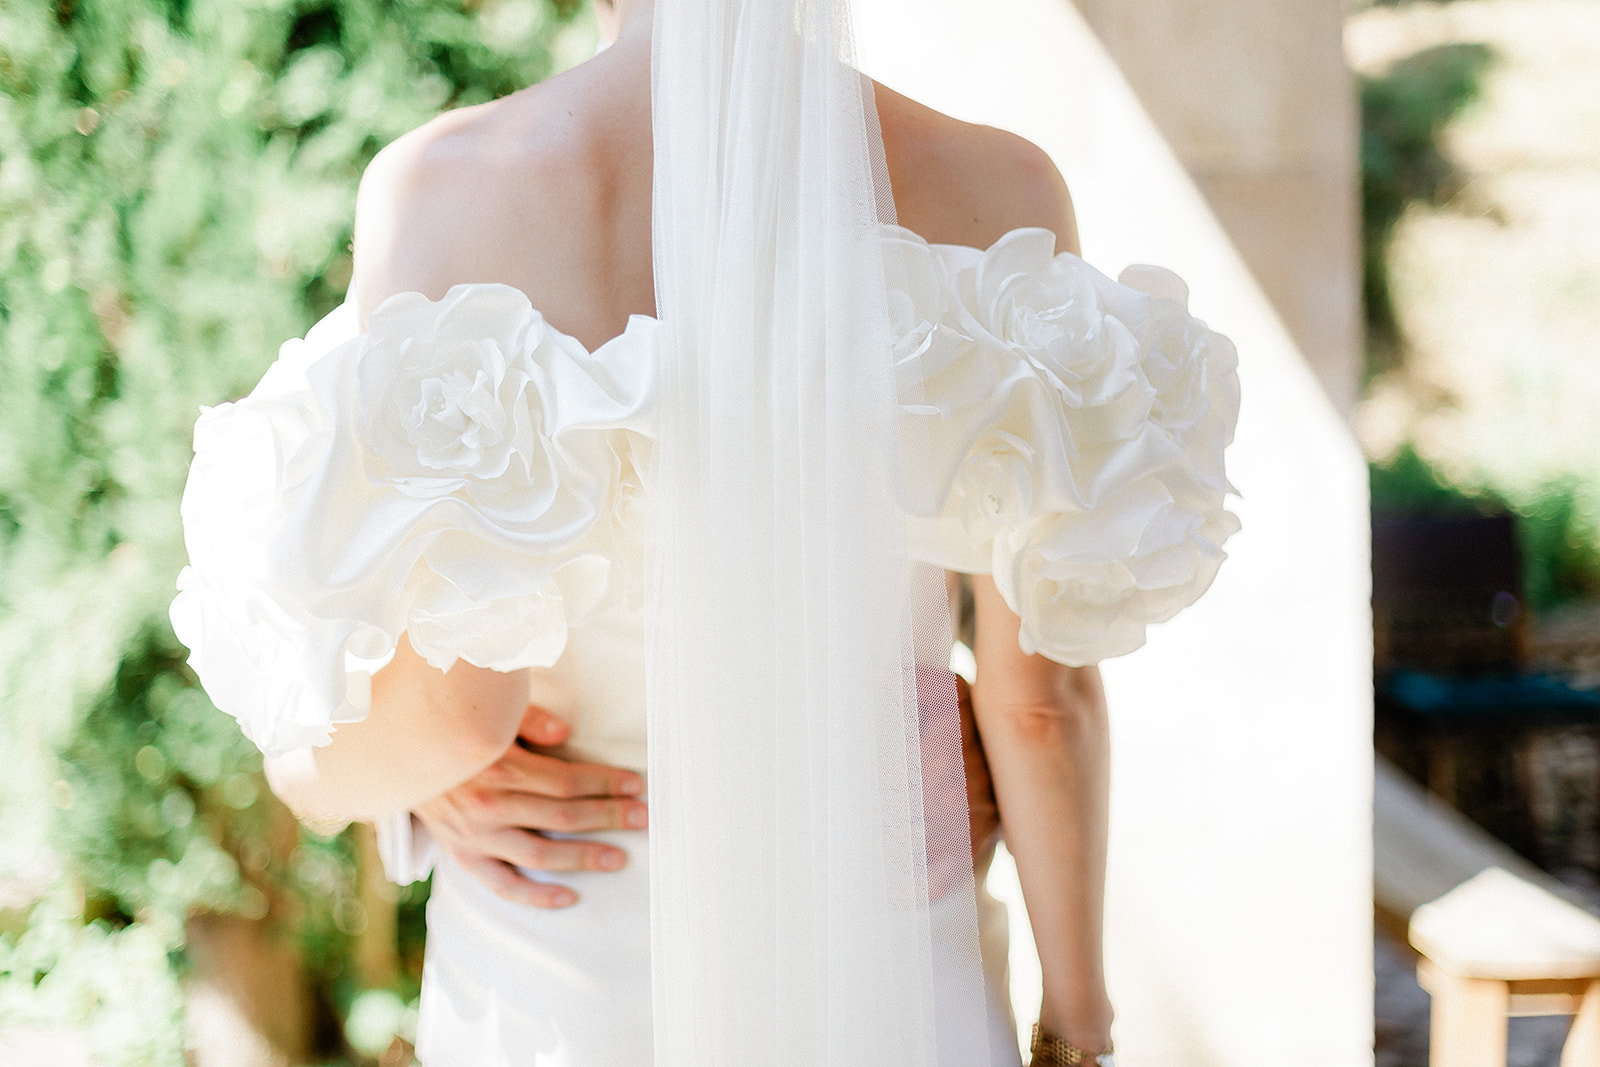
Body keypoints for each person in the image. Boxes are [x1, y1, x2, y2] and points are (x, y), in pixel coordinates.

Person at [170, 0, 1238, 1061]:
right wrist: (1076, 1021)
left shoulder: (440, 192)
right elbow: (1042, 705)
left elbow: (459, 717)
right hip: (886, 946)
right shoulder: (1000, 189)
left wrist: (341, 785)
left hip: (564, 960)